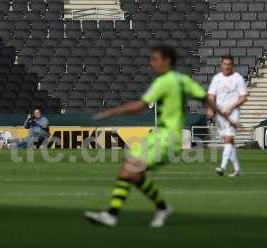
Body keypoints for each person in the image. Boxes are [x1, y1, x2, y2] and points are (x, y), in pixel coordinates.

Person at [84, 45, 237, 228]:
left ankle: (113, 214)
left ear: (167, 60)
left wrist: (112, 112)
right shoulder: (183, 80)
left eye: (155, 59)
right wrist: (227, 116)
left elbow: (140, 106)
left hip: (168, 138)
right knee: (131, 172)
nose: (152, 63)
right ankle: (160, 207)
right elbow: (206, 99)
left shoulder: (164, 82)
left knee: (130, 171)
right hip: (160, 136)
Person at [207, 55, 248, 177]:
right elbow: (211, 95)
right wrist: (210, 108)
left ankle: (222, 167)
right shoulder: (217, 78)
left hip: (233, 113)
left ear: (232, 65)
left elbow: (244, 97)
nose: (227, 66)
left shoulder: (238, 78)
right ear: (221, 65)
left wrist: (231, 107)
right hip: (220, 114)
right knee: (228, 141)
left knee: (229, 139)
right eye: (225, 64)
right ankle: (237, 170)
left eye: (229, 64)